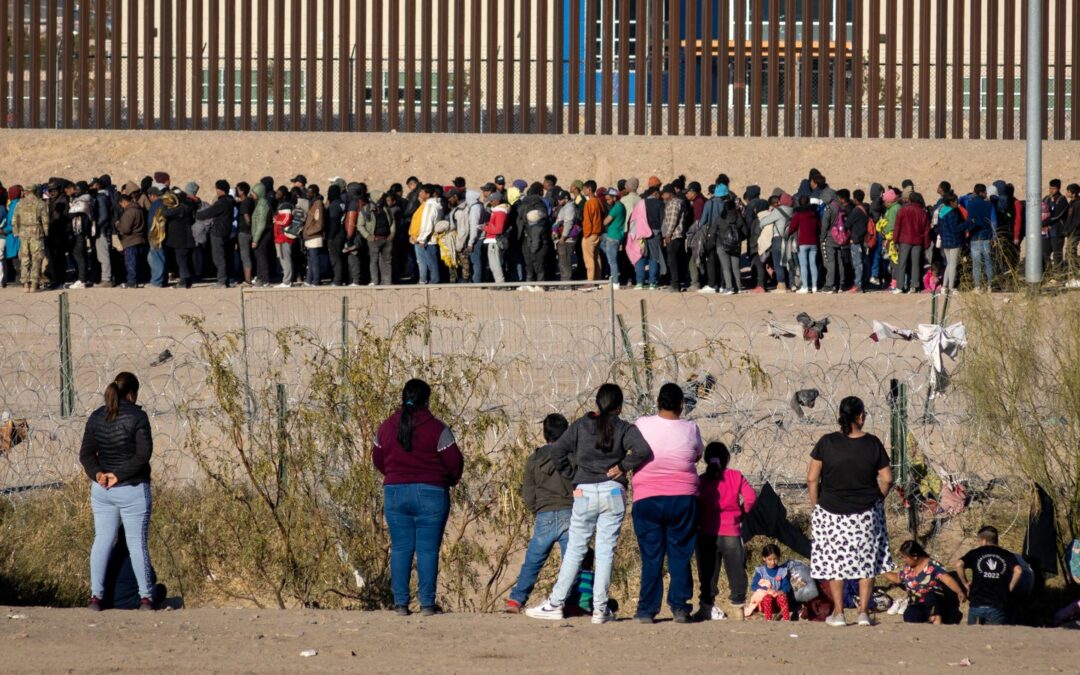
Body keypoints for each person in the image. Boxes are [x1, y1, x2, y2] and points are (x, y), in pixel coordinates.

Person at [526, 384, 653, 624]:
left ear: (597, 403)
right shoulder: (624, 428)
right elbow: (643, 449)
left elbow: (557, 452)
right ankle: (600, 609)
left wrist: (573, 476)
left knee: (575, 549)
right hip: (613, 492)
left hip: (584, 491)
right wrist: (623, 466)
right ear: (619, 406)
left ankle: (555, 603)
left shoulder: (580, 426)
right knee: (605, 552)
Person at [372, 379, 464, 616]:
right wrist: (447, 481)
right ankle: (427, 604)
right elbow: (454, 462)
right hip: (432, 493)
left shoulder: (386, 427)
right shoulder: (438, 429)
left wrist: (395, 475)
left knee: (401, 548)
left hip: (395, 492)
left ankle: (400, 604)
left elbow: (378, 459)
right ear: (427, 400)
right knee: (427, 550)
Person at [807, 395, 895, 627]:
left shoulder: (826, 443)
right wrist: (878, 499)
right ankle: (863, 612)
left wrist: (816, 505)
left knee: (836, 563)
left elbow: (812, 478)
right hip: (866, 512)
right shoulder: (872, 443)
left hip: (831, 511)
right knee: (866, 563)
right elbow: (887, 478)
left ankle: (838, 612)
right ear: (861, 416)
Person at [78, 372, 155, 611]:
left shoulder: (96, 417)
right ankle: (146, 598)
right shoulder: (138, 417)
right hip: (131, 489)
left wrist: (99, 474)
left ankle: (95, 598)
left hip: (102, 490)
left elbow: (86, 455)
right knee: (136, 543)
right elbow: (143, 455)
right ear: (132, 393)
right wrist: (119, 475)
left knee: (101, 541)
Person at [630, 383, 704, 624]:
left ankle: (646, 610)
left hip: (647, 497)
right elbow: (697, 455)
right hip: (683, 498)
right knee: (680, 553)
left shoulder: (642, 424)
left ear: (658, 402)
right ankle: (680, 607)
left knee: (651, 555)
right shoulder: (690, 428)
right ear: (682, 404)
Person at [504, 413, 573, 614]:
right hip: (570, 512)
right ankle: (572, 601)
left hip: (545, 515)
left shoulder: (534, 459)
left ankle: (516, 600)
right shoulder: (572, 456)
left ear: (544, 434)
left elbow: (528, 491)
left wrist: (537, 508)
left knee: (533, 561)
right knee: (573, 561)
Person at [696, 441, 757, 622]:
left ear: (706, 459)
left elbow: (694, 502)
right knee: (736, 571)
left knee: (708, 572)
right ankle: (738, 608)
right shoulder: (735, 476)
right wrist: (742, 513)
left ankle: (706, 606)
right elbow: (751, 498)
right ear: (727, 458)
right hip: (731, 530)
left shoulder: (701, 480)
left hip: (707, 531)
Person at [884, 540, 966, 625]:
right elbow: (897, 578)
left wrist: (959, 591)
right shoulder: (907, 568)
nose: (903, 560)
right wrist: (882, 571)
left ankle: (938, 627)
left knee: (931, 598)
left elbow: (948, 580)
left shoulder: (932, 565)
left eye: (905, 557)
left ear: (915, 556)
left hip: (934, 601)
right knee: (909, 615)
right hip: (916, 603)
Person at [954, 525, 1022, 626]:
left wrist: (965, 583)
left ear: (984, 540)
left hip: (976, 605)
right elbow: (1018, 571)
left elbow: (959, 564)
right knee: (994, 639)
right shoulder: (1006, 554)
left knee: (974, 638)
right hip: (997, 605)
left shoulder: (975, 553)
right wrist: (1010, 587)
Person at [196, 180, 236, 288]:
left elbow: (209, 212)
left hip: (218, 232)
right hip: (226, 231)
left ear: (220, 190)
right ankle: (226, 280)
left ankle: (221, 281)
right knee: (225, 256)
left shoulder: (222, 202)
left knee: (218, 257)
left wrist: (195, 215)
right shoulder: (230, 201)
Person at [12, 183, 49, 293]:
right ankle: (34, 284)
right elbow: (45, 221)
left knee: (24, 258)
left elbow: (14, 220)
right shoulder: (41, 203)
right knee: (36, 258)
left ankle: (25, 284)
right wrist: (46, 233)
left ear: (26, 191)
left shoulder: (20, 203)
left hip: (23, 234)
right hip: (36, 233)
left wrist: (16, 233)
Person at [893, 192, 931, 294]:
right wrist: (926, 244)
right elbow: (927, 230)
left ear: (910, 199)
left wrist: (895, 240)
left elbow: (897, 227)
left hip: (904, 240)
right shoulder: (923, 212)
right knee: (916, 264)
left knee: (902, 263)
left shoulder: (903, 210)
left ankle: (899, 287)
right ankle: (914, 286)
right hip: (918, 241)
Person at [963, 184, 997, 292]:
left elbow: (961, 199)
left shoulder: (970, 204)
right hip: (987, 236)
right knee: (988, 261)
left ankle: (977, 286)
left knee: (976, 263)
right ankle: (989, 286)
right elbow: (994, 222)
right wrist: (994, 236)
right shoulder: (989, 205)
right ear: (981, 193)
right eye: (985, 192)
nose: (986, 194)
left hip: (975, 237)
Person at [161, 185, 197, 289]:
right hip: (186, 238)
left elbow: (166, 213)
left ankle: (183, 281)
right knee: (185, 259)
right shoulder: (188, 205)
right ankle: (187, 281)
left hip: (180, 239)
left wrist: (164, 204)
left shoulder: (181, 208)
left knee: (181, 260)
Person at [361, 191, 397, 286]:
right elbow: (360, 225)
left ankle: (387, 281)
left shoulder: (386, 209)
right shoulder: (366, 210)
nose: (381, 199)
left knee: (387, 261)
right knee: (374, 261)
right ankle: (375, 281)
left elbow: (392, 221)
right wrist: (368, 236)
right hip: (374, 240)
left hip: (387, 239)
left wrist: (392, 232)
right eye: (379, 197)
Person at [749, 544, 793, 621]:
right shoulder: (760, 571)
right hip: (765, 604)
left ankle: (786, 619)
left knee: (782, 597)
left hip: (778, 604)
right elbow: (754, 586)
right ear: (764, 558)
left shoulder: (782, 571)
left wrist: (780, 592)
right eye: (769, 559)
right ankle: (768, 619)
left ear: (778, 558)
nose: (773, 562)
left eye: (775, 559)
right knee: (767, 598)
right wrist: (766, 590)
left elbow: (786, 586)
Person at [115, 192, 147, 289]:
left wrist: (118, 224)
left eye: (121, 204)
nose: (121, 206)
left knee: (131, 262)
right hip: (140, 239)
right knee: (139, 262)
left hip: (131, 241)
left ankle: (131, 281)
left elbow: (126, 229)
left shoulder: (129, 212)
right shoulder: (139, 209)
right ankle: (139, 280)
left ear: (124, 202)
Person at [789, 195, 820, 294]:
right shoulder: (815, 214)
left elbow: (792, 227)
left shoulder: (798, 214)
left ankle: (805, 287)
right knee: (813, 264)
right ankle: (814, 287)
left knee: (803, 265)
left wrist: (788, 234)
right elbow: (819, 227)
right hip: (814, 242)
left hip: (803, 242)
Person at [937, 192, 965, 293]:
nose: (957, 203)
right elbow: (955, 228)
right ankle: (951, 287)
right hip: (954, 241)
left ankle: (944, 286)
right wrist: (967, 224)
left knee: (949, 264)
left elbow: (939, 228)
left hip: (945, 241)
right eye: (956, 201)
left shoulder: (942, 211)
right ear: (951, 202)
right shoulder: (953, 212)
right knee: (953, 264)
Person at [661, 185, 686, 292]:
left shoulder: (674, 203)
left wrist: (668, 234)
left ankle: (675, 285)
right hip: (676, 235)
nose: (662, 196)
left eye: (664, 193)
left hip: (674, 235)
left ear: (669, 194)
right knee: (677, 260)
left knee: (672, 261)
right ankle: (678, 282)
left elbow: (672, 220)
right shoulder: (675, 202)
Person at [600, 188, 626, 288]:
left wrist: (603, 220)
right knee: (612, 259)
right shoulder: (622, 206)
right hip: (618, 235)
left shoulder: (616, 208)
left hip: (613, 236)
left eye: (608, 199)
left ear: (614, 198)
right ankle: (614, 279)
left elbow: (606, 221)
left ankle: (615, 282)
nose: (607, 201)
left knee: (612, 261)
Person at [250, 182, 273, 286]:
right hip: (262, 234)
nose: (252, 194)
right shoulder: (260, 203)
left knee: (261, 257)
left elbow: (261, 224)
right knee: (259, 257)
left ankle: (264, 279)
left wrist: (255, 240)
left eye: (254, 192)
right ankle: (260, 278)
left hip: (263, 234)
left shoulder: (262, 205)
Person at [483, 191, 508, 284]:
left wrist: (485, 228)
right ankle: (499, 282)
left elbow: (498, 230)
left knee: (495, 264)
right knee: (494, 264)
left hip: (494, 240)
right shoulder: (497, 211)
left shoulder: (500, 213)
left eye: (492, 201)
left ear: (497, 201)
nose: (490, 203)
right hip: (493, 240)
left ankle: (500, 283)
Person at [302, 186, 325, 286]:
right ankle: (308, 280)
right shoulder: (312, 203)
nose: (307, 194)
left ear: (315, 193)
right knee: (310, 261)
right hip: (310, 237)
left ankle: (315, 281)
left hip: (314, 237)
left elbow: (319, 223)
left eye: (309, 192)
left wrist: (308, 231)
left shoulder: (318, 204)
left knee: (314, 261)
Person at [580, 181, 603, 281]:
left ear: (589, 189)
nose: (583, 191)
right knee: (596, 258)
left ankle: (590, 282)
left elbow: (587, 221)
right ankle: (597, 280)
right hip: (597, 233)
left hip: (590, 234)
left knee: (589, 260)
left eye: (584, 189)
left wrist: (586, 235)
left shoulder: (589, 203)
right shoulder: (598, 201)